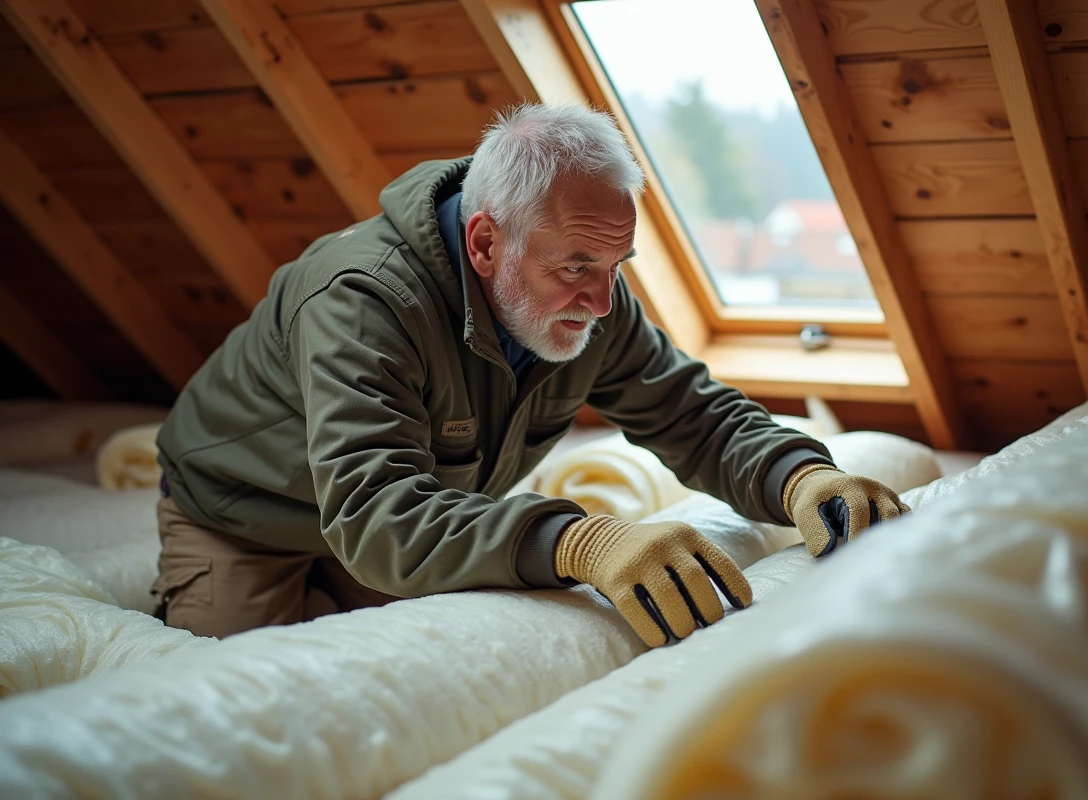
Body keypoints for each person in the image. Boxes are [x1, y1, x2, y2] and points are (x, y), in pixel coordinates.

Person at [152, 103, 909, 646]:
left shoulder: (589, 292)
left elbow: (690, 413)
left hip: (394, 517)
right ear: (485, 243)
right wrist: (580, 541)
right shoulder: (362, 301)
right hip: (243, 514)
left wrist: (800, 478)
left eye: (616, 265)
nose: (603, 299)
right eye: (577, 266)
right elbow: (376, 515)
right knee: (241, 691)